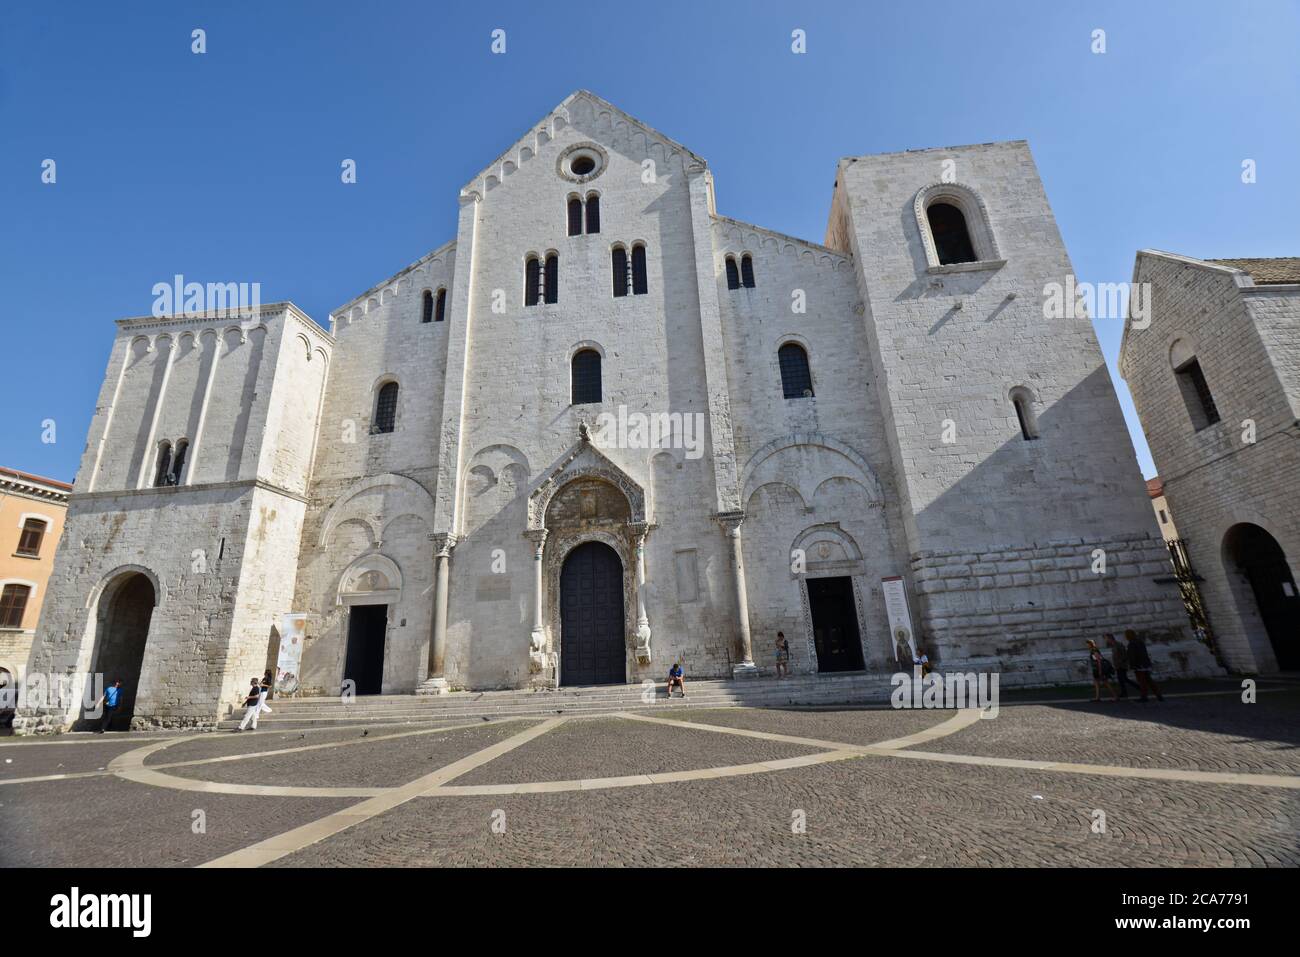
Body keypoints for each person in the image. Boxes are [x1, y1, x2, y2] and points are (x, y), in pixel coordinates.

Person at [1125, 629, 1164, 702]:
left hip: (1139, 665)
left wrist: (1132, 665)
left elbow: (1132, 656)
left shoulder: (1131, 644)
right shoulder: (1140, 641)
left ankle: (1144, 697)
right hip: (1145, 664)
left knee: (1142, 681)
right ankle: (1158, 695)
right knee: (1149, 680)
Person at [1105, 633, 1133, 699]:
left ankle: (1139, 688)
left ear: (1110, 638)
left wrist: (1120, 662)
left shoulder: (1118, 644)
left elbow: (1125, 654)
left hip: (1122, 665)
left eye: (1106, 638)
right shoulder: (1114, 645)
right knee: (1121, 680)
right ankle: (1124, 693)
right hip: (1118, 666)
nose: (1106, 640)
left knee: (1124, 679)